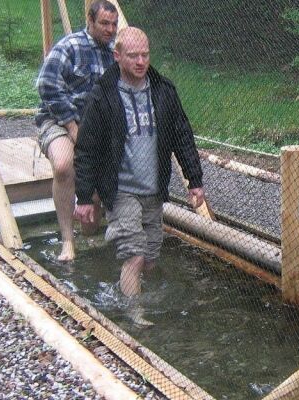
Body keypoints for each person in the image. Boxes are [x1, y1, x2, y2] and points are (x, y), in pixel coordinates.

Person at [73, 27, 205, 318]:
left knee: (149, 259)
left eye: (145, 54)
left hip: (153, 190)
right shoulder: (103, 96)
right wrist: (84, 196)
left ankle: (128, 292)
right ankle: (136, 319)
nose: (141, 61)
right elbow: (86, 148)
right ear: (117, 55)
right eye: (133, 55)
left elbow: (183, 135)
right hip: (120, 191)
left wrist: (194, 180)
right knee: (135, 255)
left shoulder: (164, 91)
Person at [35, 0, 119, 261]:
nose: (110, 29)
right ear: (90, 21)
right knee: (63, 165)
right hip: (58, 120)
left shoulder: (115, 54)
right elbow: (46, 85)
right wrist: (72, 125)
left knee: (94, 192)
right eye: (104, 23)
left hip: (96, 129)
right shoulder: (69, 47)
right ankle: (67, 242)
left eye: (114, 24)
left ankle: (90, 238)